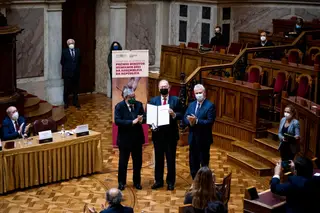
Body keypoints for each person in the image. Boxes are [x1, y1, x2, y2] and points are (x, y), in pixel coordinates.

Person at [149, 79, 182, 190]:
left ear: (169, 88)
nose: (164, 88)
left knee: (170, 159)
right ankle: (158, 181)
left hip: (171, 136)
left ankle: (170, 182)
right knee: (158, 160)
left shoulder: (175, 100)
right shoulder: (153, 101)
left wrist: (173, 114)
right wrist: (152, 125)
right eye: (162, 86)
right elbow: (149, 117)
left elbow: (181, 114)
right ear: (159, 88)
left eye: (165, 86)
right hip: (158, 136)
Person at [114, 88, 145, 190]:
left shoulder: (139, 105)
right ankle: (121, 182)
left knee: (137, 162)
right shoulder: (119, 106)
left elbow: (144, 117)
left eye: (134, 97)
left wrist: (141, 120)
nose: (134, 99)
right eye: (131, 97)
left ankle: (137, 182)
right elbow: (118, 121)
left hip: (137, 139)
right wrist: (132, 122)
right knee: (123, 162)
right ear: (126, 97)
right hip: (124, 140)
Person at [184, 84, 216, 179]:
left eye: (200, 93)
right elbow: (185, 117)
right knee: (193, 162)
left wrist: (197, 121)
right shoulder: (191, 105)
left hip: (204, 140)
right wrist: (190, 121)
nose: (198, 95)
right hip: (193, 139)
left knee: (204, 163)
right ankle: (195, 181)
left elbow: (210, 122)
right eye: (196, 93)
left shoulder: (210, 106)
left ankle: (204, 183)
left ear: (204, 93)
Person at [60, 38, 81, 109]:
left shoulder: (78, 50)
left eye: (72, 43)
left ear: (74, 44)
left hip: (76, 73)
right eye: (69, 44)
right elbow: (62, 62)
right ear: (67, 45)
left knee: (75, 89)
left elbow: (80, 61)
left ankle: (76, 102)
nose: (71, 45)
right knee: (66, 89)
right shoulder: (64, 51)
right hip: (67, 74)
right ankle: (66, 103)